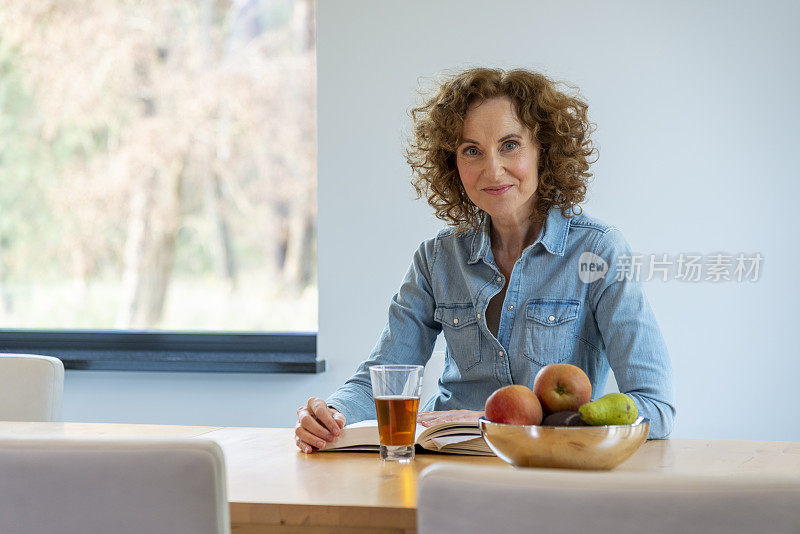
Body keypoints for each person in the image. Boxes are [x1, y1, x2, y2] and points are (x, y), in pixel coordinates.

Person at [294, 67, 676, 453]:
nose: (492, 170)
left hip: (549, 473)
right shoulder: (437, 258)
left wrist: (495, 422)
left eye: (510, 145)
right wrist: (330, 414)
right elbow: (381, 378)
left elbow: (655, 408)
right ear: (453, 164)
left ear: (543, 150)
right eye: (471, 150)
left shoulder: (600, 251)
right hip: (442, 466)